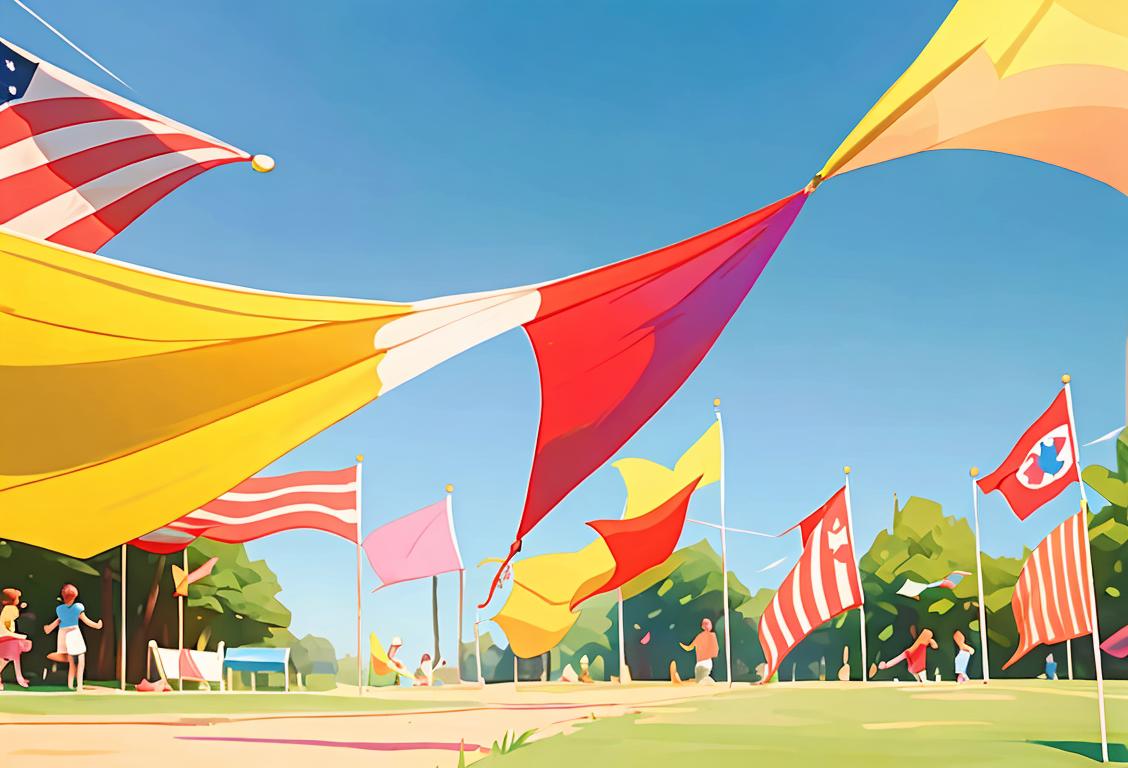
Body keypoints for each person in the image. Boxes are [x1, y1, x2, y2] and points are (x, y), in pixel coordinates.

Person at [43, 583, 102, 691]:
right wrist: (96, 625)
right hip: (74, 633)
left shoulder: (60, 609)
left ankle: (70, 685)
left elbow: (58, 621)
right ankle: (79, 685)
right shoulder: (77, 607)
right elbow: (85, 620)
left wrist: (49, 628)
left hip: (63, 634)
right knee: (80, 660)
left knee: (72, 662)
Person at [0, 588, 32, 690]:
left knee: (6, 657)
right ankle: (19, 678)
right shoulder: (11, 609)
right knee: (21, 645)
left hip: (5, 635)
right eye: (17, 598)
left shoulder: (7, 609)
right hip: (6, 635)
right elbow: (11, 618)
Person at [679, 617, 720, 683]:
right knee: (700, 681)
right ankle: (687, 682)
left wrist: (679, 644)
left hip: (703, 663)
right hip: (704, 663)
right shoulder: (708, 636)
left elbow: (688, 648)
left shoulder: (706, 636)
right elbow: (716, 650)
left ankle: (686, 682)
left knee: (700, 681)